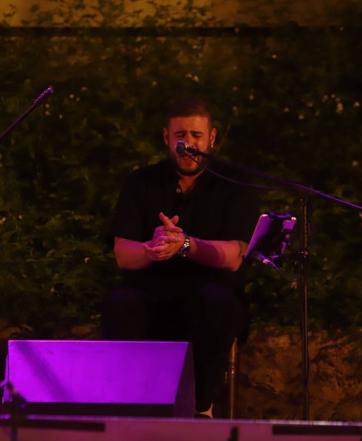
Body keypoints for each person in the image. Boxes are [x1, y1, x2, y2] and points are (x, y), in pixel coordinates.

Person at [102, 97, 258, 417]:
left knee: (216, 304)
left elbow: (233, 256)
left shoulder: (235, 184)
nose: (188, 143)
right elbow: (122, 254)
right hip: (152, 292)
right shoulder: (140, 182)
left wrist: (186, 245)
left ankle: (199, 408)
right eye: (180, 136)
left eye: (196, 136)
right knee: (120, 303)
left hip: (209, 292)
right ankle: (133, 407)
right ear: (166, 138)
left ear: (212, 138)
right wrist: (151, 249)